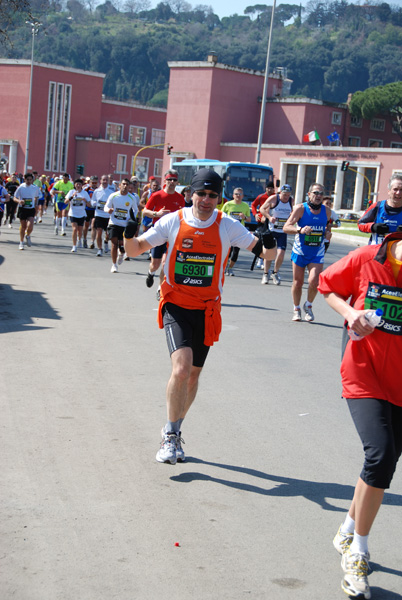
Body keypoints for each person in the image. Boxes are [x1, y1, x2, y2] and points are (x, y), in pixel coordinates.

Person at [123, 168, 277, 465]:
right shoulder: (173, 220)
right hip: (176, 305)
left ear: (219, 198)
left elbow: (266, 256)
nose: (206, 200)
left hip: (207, 310)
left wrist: (268, 241)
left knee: (193, 375)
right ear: (190, 194)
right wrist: (128, 233)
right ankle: (169, 436)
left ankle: (176, 428)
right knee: (180, 369)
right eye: (201, 194)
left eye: (212, 195)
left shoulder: (227, 225)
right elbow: (136, 249)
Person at [318, 231, 402, 600]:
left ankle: (348, 528)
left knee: (383, 461)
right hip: (364, 373)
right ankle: (358, 552)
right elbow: (327, 286)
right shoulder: (367, 258)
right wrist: (352, 313)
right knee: (380, 453)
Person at [283, 182, 331, 322]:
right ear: (309, 194)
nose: (318, 196)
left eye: (321, 193)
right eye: (315, 193)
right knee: (298, 283)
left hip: (317, 251)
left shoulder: (326, 211)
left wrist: (328, 235)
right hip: (300, 251)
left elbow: (327, 228)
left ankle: (308, 305)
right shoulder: (300, 208)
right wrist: (300, 230)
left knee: (314, 281)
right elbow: (286, 227)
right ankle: (296, 308)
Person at [142, 169, 185, 293]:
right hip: (159, 232)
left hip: (172, 235)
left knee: (166, 264)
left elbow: (182, 215)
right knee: (155, 264)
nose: (172, 182)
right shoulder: (157, 195)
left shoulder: (180, 198)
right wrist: (157, 213)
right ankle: (150, 273)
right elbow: (145, 211)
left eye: (174, 180)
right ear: (165, 181)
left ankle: (160, 289)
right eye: (169, 179)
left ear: (177, 182)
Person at [259, 184, 294, 284]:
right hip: (271, 230)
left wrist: (291, 218)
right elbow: (262, 209)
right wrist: (269, 217)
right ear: (280, 193)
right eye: (284, 195)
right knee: (269, 254)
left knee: (281, 254)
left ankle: (275, 272)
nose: (286, 197)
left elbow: (293, 212)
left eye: (288, 195)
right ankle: (266, 274)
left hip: (282, 231)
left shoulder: (291, 200)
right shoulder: (274, 198)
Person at [104, 178, 139, 273]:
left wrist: (132, 218)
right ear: (119, 185)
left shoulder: (131, 198)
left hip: (125, 225)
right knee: (114, 244)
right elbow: (106, 206)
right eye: (123, 184)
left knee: (122, 246)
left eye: (127, 185)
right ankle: (114, 265)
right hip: (114, 223)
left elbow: (136, 210)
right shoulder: (113, 195)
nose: (125, 186)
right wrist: (108, 210)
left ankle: (122, 253)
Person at [358, 174, 402, 245]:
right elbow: (360, 224)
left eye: (401, 190)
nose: (398, 193)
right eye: (395, 189)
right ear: (389, 191)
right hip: (377, 253)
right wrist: (373, 227)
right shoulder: (377, 206)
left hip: (398, 254)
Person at [221, 187, 251, 276]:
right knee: (227, 251)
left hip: (239, 232)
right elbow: (221, 216)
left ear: (242, 196)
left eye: (240, 194)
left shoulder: (245, 206)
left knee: (235, 252)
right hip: (228, 232)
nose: (238, 196)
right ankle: (225, 266)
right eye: (236, 194)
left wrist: (244, 217)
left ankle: (230, 268)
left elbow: (249, 219)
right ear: (233, 195)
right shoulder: (228, 204)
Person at [251, 181, 275, 269]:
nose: (270, 190)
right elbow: (253, 205)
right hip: (262, 221)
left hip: (272, 222)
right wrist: (255, 214)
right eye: (268, 188)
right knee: (260, 240)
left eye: (271, 188)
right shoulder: (261, 196)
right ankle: (260, 258)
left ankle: (265, 258)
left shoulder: (275, 197)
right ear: (266, 188)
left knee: (269, 241)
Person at [65, 178, 92, 252]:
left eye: (80, 184)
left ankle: (79, 240)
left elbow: (90, 205)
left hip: (81, 214)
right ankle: (74, 246)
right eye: (77, 184)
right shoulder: (71, 192)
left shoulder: (85, 193)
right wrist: (72, 197)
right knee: (74, 229)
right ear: (74, 185)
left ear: (82, 185)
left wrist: (85, 201)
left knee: (80, 231)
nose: (78, 185)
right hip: (73, 213)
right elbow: (65, 202)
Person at [14, 173, 39, 250]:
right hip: (22, 209)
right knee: (23, 226)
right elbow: (14, 197)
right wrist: (19, 201)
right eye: (27, 179)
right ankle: (21, 243)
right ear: (24, 179)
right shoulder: (21, 187)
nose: (29, 181)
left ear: (32, 180)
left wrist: (35, 204)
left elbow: (36, 197)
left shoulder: (35, 188)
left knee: (30, 225)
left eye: (30, 180)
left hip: (31, 209)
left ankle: (28, 235)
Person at [93, 174, 114, 257]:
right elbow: (92, 201)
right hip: (99, 214)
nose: (105, 182)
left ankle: (106, 241)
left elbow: (113, 203)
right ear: (100, 181)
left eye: (106, 180)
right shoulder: (96, 191)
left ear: (108, 181)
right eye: (103, 180)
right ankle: (99, 249)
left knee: (108, 234)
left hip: (107, 215)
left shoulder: (111, 193)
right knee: (99, 232)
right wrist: (94, 203)